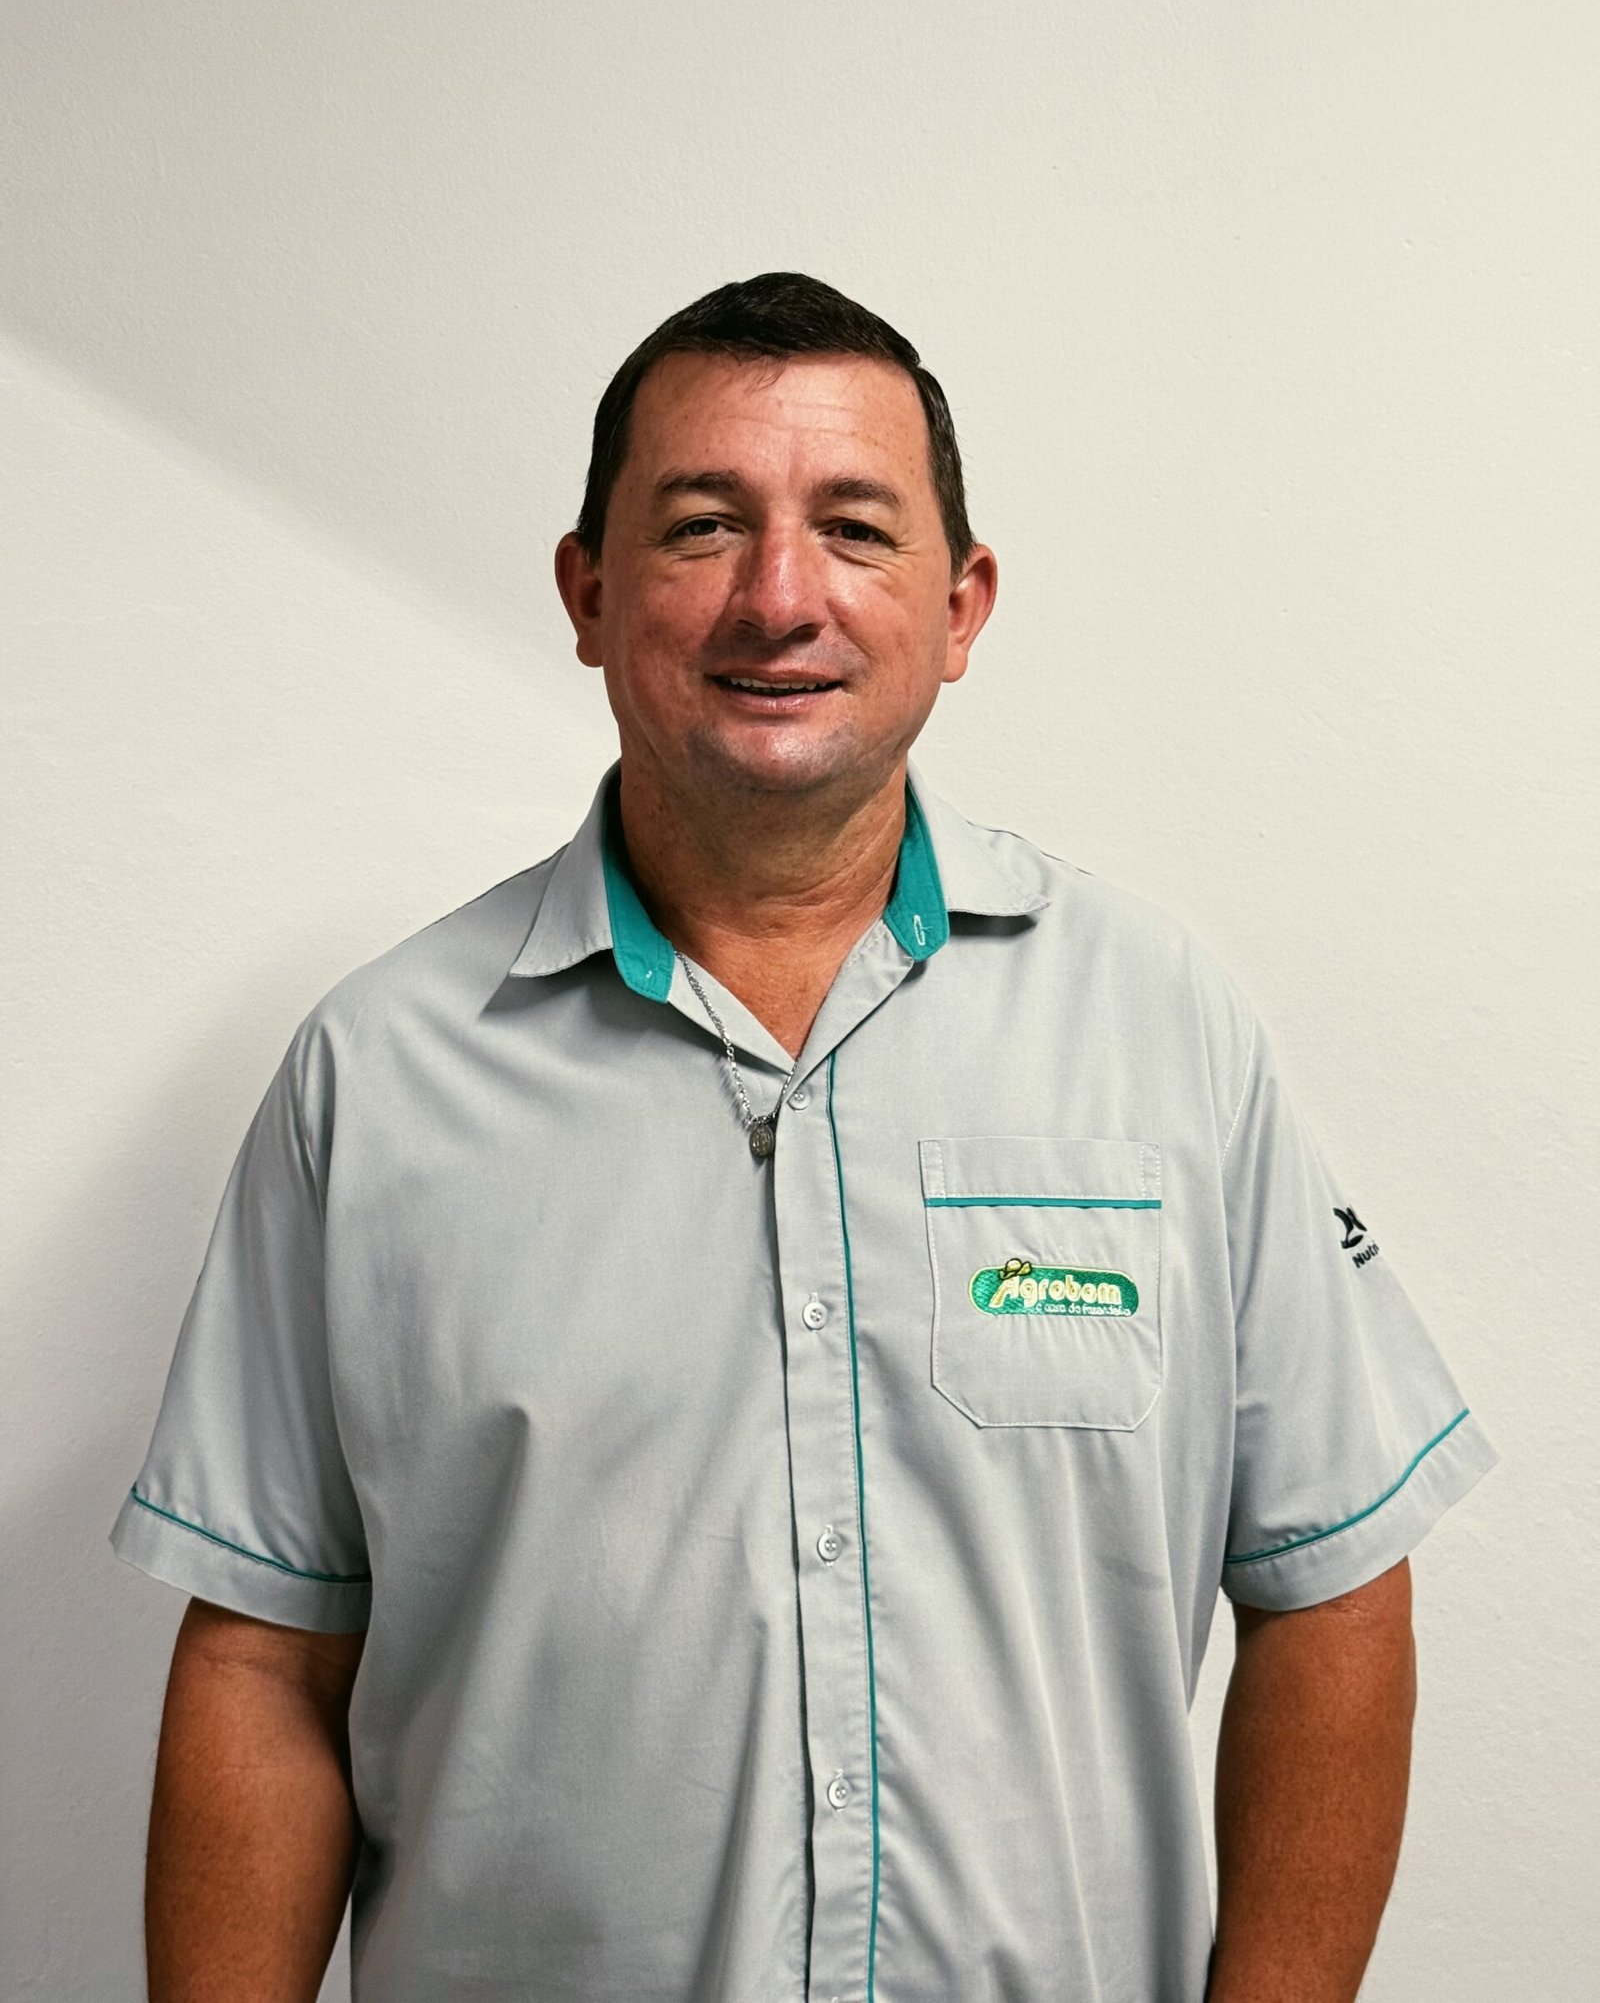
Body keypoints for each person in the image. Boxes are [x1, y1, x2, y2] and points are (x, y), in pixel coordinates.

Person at [111, 271, 1496, 2003]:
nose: (780, 598)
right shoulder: (377, 1076)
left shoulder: (1163, 1033)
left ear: (961, 602)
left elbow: (1333, 1584)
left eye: (855, 527)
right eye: (703, 526)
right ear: (588, 592)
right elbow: (265, 1664)